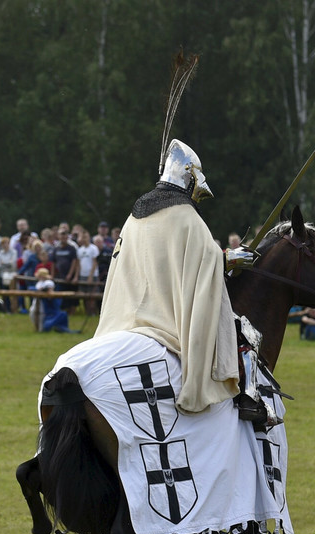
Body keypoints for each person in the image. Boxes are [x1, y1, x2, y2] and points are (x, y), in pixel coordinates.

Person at [95, 138, 270, 426]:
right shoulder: (186, 217)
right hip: (166, 320)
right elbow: (205, 261)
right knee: (245, 333)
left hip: (123, 318)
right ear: (190, 178)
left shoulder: (134, 215)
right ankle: (248, 399)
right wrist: (231, 258)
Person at [30, 268, 76, 333]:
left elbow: (56, 305)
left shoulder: (49, 285)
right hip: (45, 315)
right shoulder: (40, 285)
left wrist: (45, 291)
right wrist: (41, 290)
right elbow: (32, 288)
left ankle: (62, 328)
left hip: (51, 314)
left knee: (63, 314)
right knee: (45, 326)